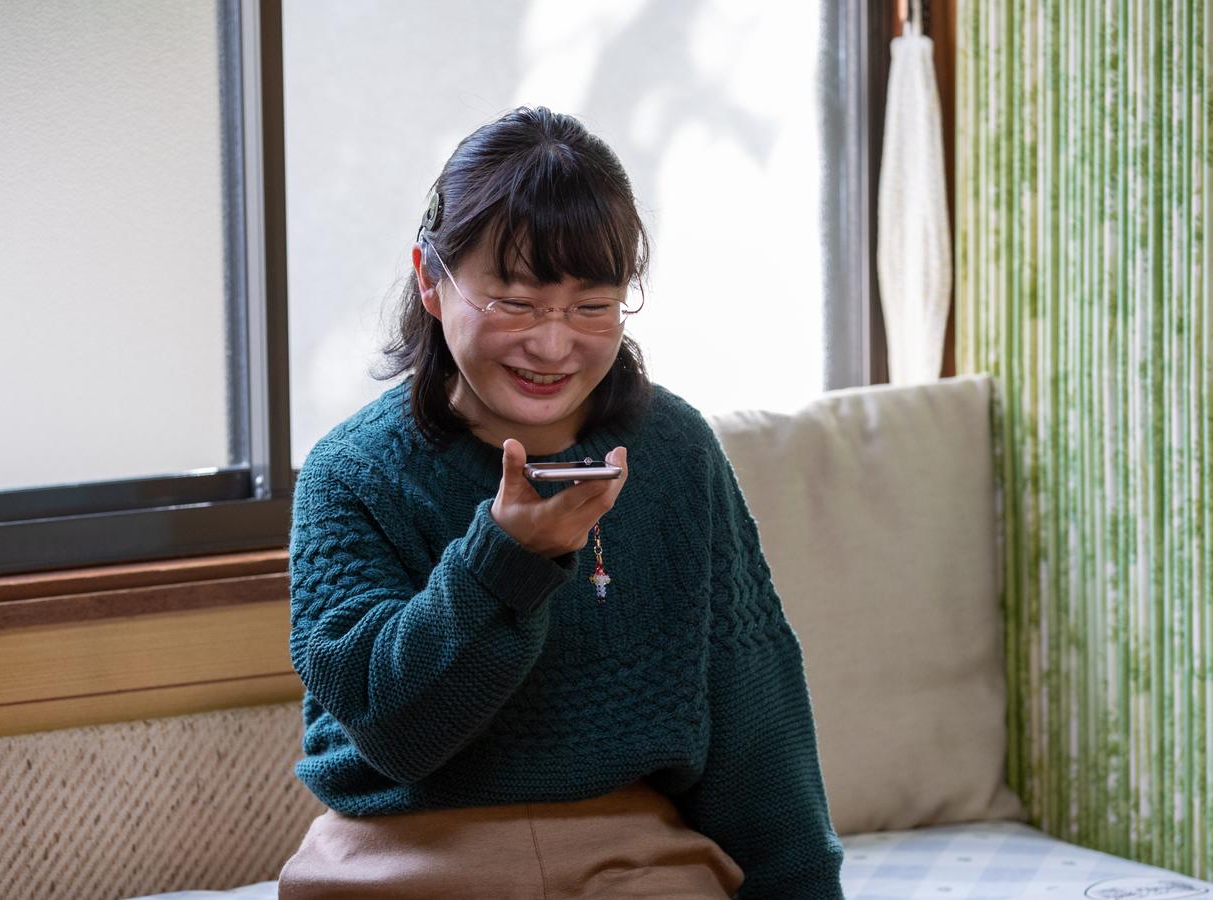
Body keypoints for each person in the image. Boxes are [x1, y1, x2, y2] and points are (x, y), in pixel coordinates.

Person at [278, 106, 844, 899]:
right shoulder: (351, 474)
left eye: (591, 307)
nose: (552, 345)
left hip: (635, 858)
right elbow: (391, 729)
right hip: (405, 857)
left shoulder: (673, 450)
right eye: (514, 301)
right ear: (430, 282)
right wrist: (503, 561)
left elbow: (756, 721)